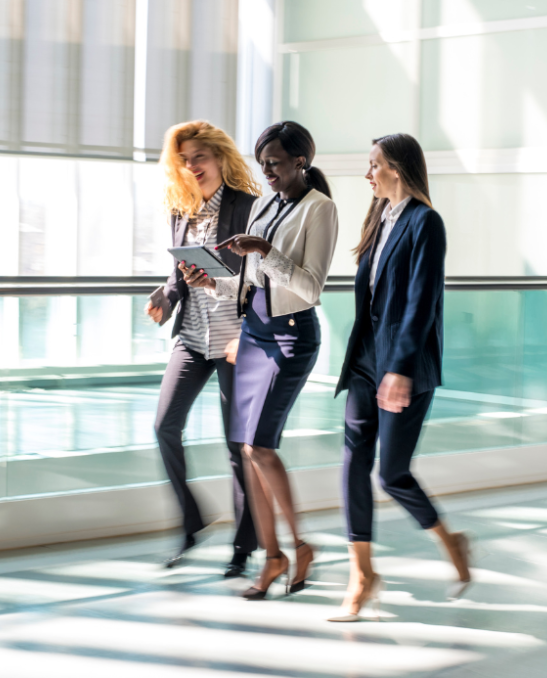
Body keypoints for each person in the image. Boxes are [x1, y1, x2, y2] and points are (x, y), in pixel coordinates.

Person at [181, 121, 338, 600]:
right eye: (262, 162)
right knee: (247, 450)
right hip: (253, 331)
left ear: (300, 161)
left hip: (291, 338)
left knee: (261, 448)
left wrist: (265, 250)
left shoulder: (320, 209)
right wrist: (214, 282)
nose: (266, 170)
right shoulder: (266, 203)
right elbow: (252, 283)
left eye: (274, 161)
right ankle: (273, 556)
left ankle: (299, 546)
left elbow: (310, 288)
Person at [329, 133, 470, 623]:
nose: (368, 173)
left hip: (402, 365)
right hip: (366, 360)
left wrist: (401, 368)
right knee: (351, 464)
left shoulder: (425, 222)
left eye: (375, 164)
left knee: (391, 473)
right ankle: (362, 575)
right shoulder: (378, 220)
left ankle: (449, 539)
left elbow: (420, 303)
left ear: (399, 168)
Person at [145, 120, 261, 577]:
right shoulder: (181, 210)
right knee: (164, 426)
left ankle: (243, 547)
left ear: (219, 158)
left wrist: (216, 279)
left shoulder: (248, 207)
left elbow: (261, 277)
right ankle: (192, 523)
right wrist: (165, 295)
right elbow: (180, 275)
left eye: (200, 157)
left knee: (239, 447)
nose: (192, 166)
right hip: (193, 336)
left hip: (237, 337)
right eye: (185, 159)